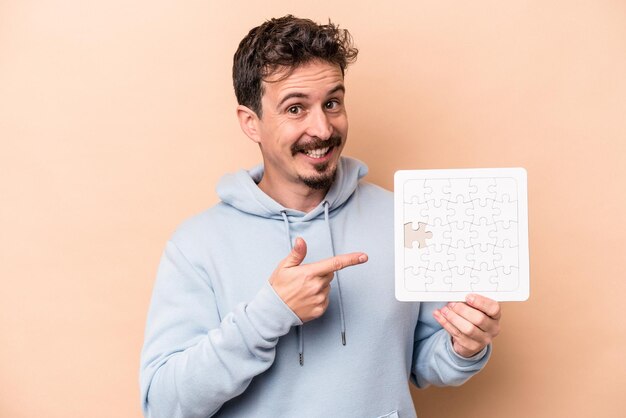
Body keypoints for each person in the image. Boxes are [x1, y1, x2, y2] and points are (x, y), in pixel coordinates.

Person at [140, 15, 501, 418]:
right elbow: (164, 405)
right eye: (296, 108)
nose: (322, 128)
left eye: (332, 103)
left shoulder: (407, 218)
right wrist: (267, 315)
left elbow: (425, 360)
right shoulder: (196, 245)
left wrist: (463, 346)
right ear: (251, 123)